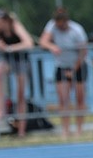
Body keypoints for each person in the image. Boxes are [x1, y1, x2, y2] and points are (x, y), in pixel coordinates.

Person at [0, 9, 34, 137]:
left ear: (5, 21)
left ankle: (21, 130)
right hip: (7, 60)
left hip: (21, 60)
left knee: (20, 95)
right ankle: (0, 108)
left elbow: (29, 43)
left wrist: (9, 48)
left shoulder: (15, 26)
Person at [38, 7, 89, 138]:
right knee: (63, 99)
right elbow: (43, 41)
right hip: (61, 65)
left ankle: (79, 130)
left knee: (79, 98)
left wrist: (73, 70)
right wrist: (52, 46)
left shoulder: (77, 30)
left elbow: (83, 52)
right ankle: (65, 130)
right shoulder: (52, 26)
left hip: (78, 65)